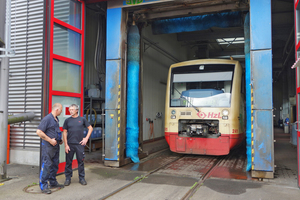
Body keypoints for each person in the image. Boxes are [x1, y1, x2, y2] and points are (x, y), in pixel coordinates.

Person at [36, 103, 64, 194]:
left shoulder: (56, 119)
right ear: (57, 110)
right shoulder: (47, 119)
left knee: (54, 165)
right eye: (61, 110)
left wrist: (59, 140)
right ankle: (43, 186)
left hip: (55, 147)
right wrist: (50, 140)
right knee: (47, 165)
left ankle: (53, 182)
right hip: (48, 147)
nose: (62, 111)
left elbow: (53, 131)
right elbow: (39, 132)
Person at [63, 104, 93, 186]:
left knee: (81, 162)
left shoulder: (82, 119)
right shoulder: (67, 120)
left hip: (79, 144)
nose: (71, 111)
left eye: (72, 109)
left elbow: (90, 128)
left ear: (77, 110)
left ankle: (82, 178)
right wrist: (66, 145)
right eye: (70, 109)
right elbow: (64, 132)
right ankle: (68, 178)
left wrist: (86, 138)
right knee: (68, 162)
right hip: (70, 145)